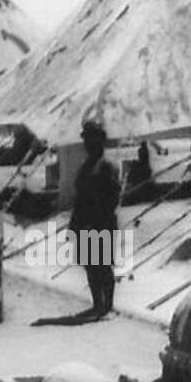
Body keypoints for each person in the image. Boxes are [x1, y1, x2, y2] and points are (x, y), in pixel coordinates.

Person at [69, 119, 121, 318]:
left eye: (91, 139)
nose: (87, 143)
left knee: (102, 264)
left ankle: (107, 305)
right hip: (84, 222)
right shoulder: (85, 166)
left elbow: (112, 198)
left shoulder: (107, 166)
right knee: (90, 264)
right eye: (86, 139)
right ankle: (97, 303)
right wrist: (74, 226)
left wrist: (98, 218)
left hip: (102, 223)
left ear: (100, 141)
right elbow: (79, 198)